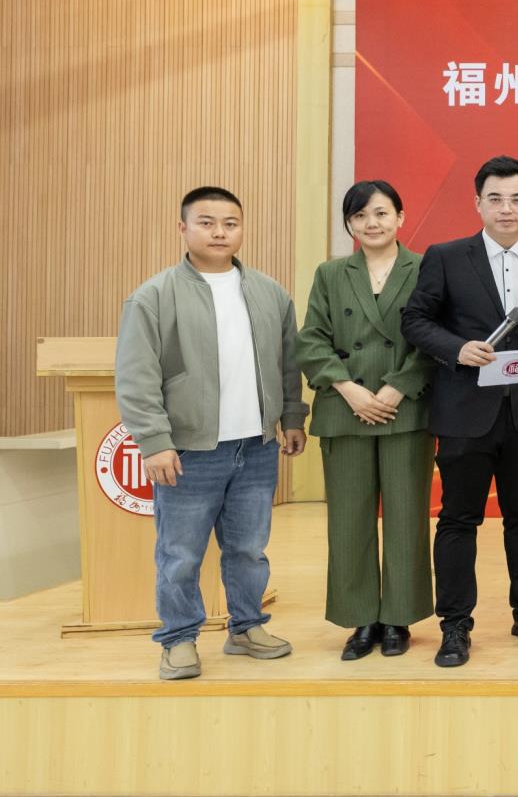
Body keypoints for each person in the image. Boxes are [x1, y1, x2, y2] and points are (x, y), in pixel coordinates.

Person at [114, 186, 308, 680]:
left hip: (256, 447)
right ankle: (178, 639)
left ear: (242, 229)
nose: (220, 232)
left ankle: (246, 627)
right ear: (183, 229)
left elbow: (288, 364)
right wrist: (154, 442)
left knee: (248, 549)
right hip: (189, 451)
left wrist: (291, 418)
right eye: (207, 222)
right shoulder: (154, 296)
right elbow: (136, 378)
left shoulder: (269, 292)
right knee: (180, 554)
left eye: (230, 223)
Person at [402, 155, 518, 668]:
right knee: (458, 519)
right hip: (464, 412)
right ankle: (455, 625)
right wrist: (457, 349)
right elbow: (415, 320)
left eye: (517, 199)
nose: (506, 208)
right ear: (477, 203)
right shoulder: (447, 256)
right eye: (495, 199)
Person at [296, 180, 434, 661]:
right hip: (346, 409)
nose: (371, 223)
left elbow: (435, 336)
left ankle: (398, 617)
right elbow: (311, 339)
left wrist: (397, 386)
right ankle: (361, 619)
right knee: (349, 519)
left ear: (400, 216)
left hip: (406, 407)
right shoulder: (331, 273)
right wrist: (349, 388)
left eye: (381, 213)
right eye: (360, 216)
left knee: (406, 516)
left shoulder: (426, 267)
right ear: (349, 224)